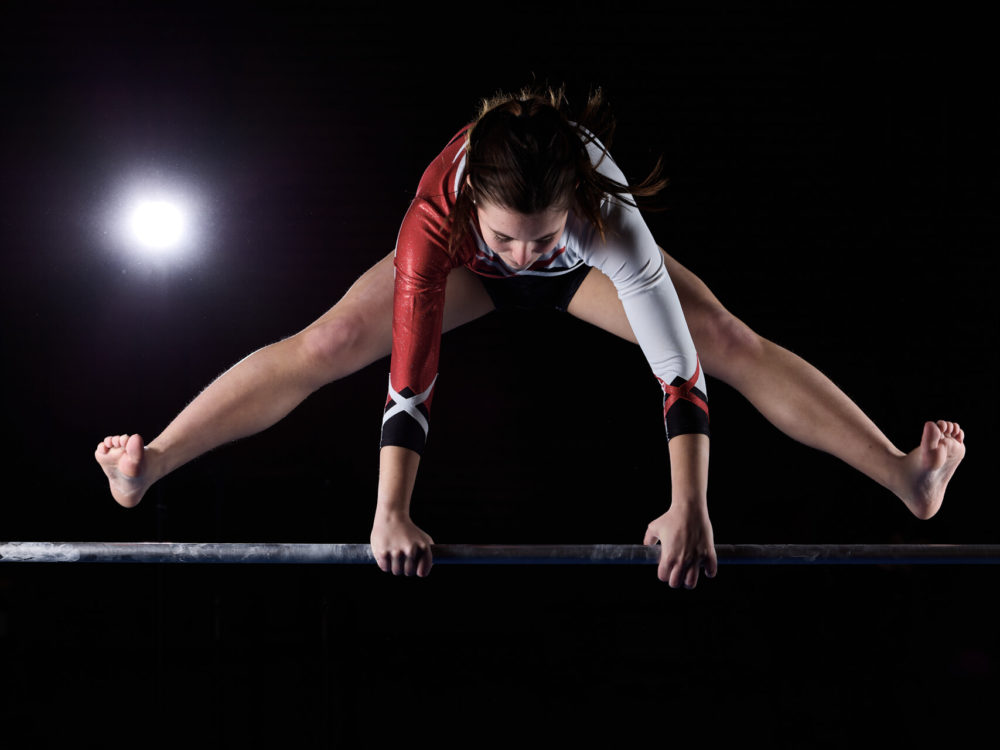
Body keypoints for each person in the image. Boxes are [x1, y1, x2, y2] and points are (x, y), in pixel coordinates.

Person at [95, 85, 966, 588]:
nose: (522, 252)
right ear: (475, 205)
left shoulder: (609, 217)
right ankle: (152, 463)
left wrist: (689, 506)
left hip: (583, 286)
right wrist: (391, 510)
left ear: (577, 205)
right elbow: (410, 381)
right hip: (458, 282)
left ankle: (904, 474)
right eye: (507, 233)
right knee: (326, 345)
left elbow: (683, 375)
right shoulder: (434, 223)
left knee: (728, 336)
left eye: (540, 234)